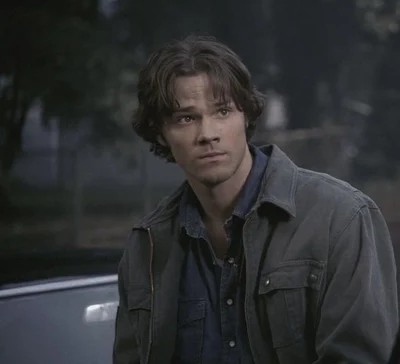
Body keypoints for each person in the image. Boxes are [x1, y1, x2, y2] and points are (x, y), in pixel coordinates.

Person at [113, 35, 398, 364]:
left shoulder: (340, 217)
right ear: (161, 133)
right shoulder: (148, 245)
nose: (208, 134)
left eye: (222, 111)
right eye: (186, 119)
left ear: (246, 115)